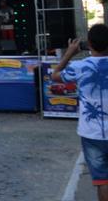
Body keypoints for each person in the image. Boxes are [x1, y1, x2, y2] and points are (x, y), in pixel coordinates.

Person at [52, 24, 108, 200]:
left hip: (92, 134)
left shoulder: (80, 67)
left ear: (89, 44)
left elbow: (55, 75)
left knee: (102, 180)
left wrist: (69, 53)